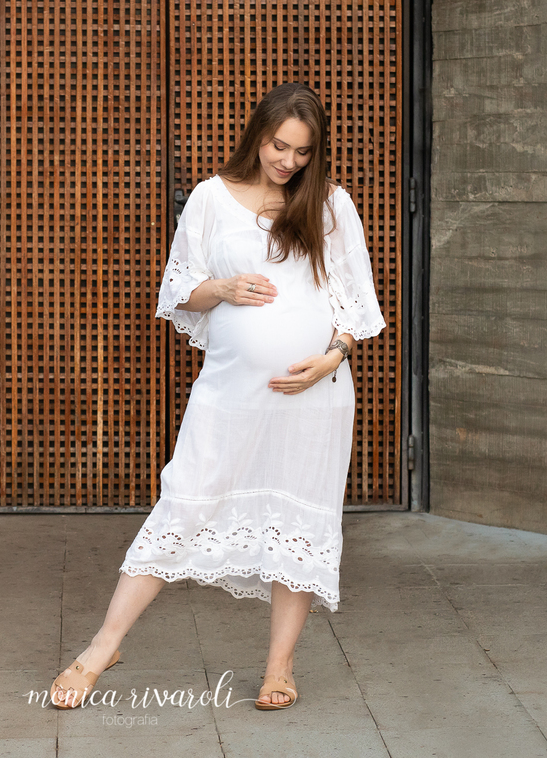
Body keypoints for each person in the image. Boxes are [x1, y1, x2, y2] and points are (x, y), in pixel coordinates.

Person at [49, 82, 386, 711]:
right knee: (183, 502)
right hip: (231, 394)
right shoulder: (211, 197)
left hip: (316, 396)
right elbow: (179, 292)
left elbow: (356, 304)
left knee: (299, 526)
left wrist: (330, 359)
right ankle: (102, 646)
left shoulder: (331, 206)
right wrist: (225, 288)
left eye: (302, 152)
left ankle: (279, 669)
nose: (288, 161)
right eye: (280, 146)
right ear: (259, 134)